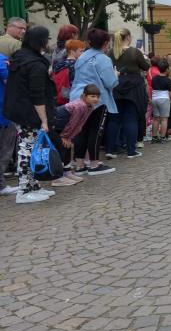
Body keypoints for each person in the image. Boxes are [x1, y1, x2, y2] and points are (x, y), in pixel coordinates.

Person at [3, 26, 57, 203]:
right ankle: (24, 190)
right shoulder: (34, 64)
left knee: (31, 148)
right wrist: (44, 120)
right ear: (41, 41)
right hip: (30, 114)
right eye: (47, 39)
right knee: (27, 150)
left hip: (20, 110)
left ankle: (33, 185)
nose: (48, 42)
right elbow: (37, 95)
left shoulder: (21, 57)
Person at [70, 28, 118, 176]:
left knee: (81, 131)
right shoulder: (104, 59)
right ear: (106, 43)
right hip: (97, 98)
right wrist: (116, 75)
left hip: (79, 96)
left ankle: (79, 165)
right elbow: (110, 82)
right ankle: (94, 164)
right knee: (95, 131)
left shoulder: (82, 57)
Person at [107, 29, 149, 159]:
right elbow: (146, 66)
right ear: (129, 37)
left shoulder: (111, 52)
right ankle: (131, 151)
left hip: (117, 85)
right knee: (131, 119)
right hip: (133, 87)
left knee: (114, 119)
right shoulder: (134, 52)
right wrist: (144, 56)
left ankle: (110, 150)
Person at [50, 84, 101, 186]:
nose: (96, 99)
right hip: (57, 125)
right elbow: (73, 123)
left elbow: (80, 124)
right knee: (61, 148)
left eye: (97, 97)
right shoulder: (80, 106)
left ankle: (67, 172)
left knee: (67, 147)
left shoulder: (89, 106)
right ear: (84, 96)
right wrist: (65, 136)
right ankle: (57, 178)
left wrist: (70, 137)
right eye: (92, 96)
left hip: (64, 126)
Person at [0, 50, 18, 196]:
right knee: (4, 151)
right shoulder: (1, 60)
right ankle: (1, 186)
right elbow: (10, 83)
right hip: (3, 114)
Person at [151, 59, 171, 144]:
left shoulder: (154, 78)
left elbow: (152, 87)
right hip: (164, 99)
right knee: (164, 119)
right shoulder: (168, 80)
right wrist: (169, 100)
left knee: (155, 119)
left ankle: (154, 137)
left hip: (154, 98)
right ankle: (162, 137)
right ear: (167, 69)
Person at [52, 39, 85, 106]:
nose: (83, 53)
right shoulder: (75, 65)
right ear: (72, 51)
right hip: (69, 98)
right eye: (81, 51)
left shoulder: (59, 63)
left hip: (56, 94)